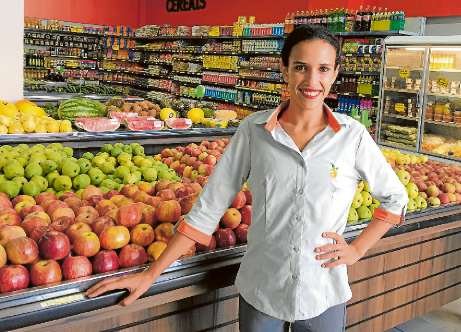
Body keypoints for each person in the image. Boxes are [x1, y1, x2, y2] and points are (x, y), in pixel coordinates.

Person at [87, 24, 408, 332]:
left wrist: (356, 250)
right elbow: (209, 207)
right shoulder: (254, 132)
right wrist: (151, 274)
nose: (312, 80)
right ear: (284, 69)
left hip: (324, 291)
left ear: (335, 73)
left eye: (323, 69)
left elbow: (396, 198)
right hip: (262, 289)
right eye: (300, 67)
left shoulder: (352, 137)